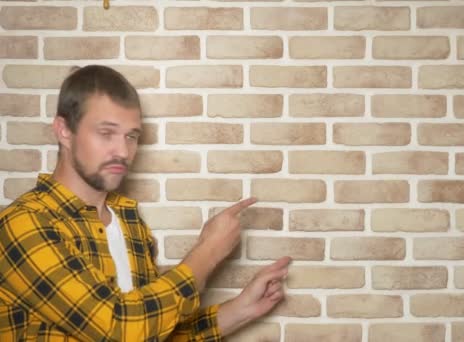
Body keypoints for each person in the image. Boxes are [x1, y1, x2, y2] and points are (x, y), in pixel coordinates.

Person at [0, 65, 290, 341]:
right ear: (64, 131)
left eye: (131, 136)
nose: (123, 151)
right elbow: (122, 330)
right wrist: (208, 253)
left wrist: (239, 311)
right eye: (106, 133)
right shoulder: (24, 224)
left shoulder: (129, 222)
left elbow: (152, 333)